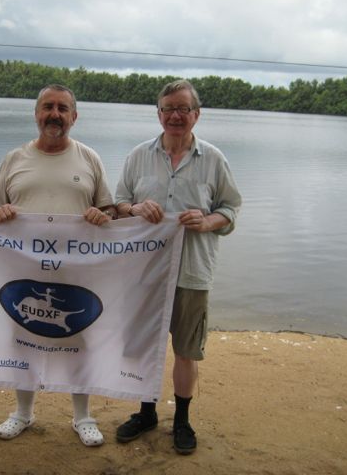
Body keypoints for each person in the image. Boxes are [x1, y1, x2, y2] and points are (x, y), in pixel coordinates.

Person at [115, 79, 242, 455]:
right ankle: (146, 412)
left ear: (196, 115)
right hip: (144, 274)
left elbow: (231, 210)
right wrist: (134, 209)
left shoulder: (215, 159)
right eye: (168, 108)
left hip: (192, 273)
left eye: (183, 109)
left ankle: (182, 419)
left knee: (186, 350)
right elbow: (118, 202)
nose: (175, 116)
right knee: (144, 346)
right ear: (158, 113)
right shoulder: (138, 156)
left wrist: (208, 221)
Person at [0, 84, 116, 447]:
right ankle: (23, 413)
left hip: (77, 272)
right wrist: (2, 212)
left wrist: (99, 214)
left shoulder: (89, 158)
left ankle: (83, 417)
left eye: (62, 108)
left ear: (74, 117)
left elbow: (109, 210)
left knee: (80, 339)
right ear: (36, 113)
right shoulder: (14, 159)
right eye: (48, 107)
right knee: (22, 337)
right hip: (23, 271)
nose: (54, 115)